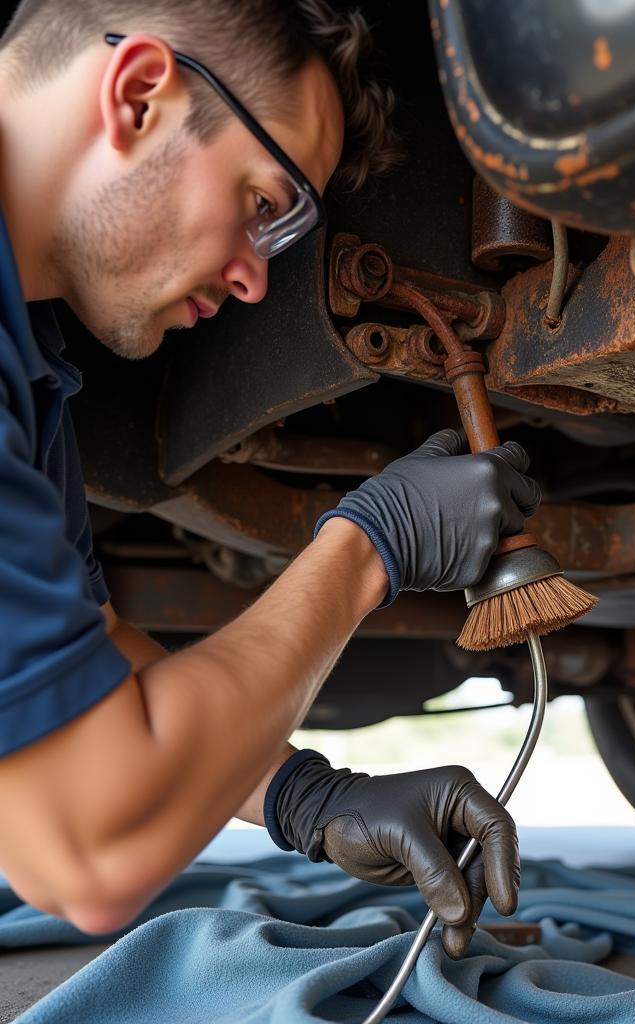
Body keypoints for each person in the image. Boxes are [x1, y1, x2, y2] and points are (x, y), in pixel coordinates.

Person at [0, 0, 542, 960]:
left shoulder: (29, 369)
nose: (255, 280)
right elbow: (83, 848)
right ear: (137, 97)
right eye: (264, 203)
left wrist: (308, 796)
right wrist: (371, 547)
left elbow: (73, 680)